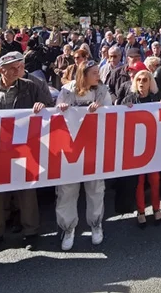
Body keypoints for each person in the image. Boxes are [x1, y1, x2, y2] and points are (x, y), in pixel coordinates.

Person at [0, 52, 51, 257]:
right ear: (2, 70)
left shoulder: (30, 87)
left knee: (26, 191)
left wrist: (42, 107)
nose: (20, 70)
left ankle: (31, 232)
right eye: (15, 68)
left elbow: (49, 109)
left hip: (24, 148)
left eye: (20, 67)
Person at [54, 61, 112, 251]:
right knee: (67, 191)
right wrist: (61, 108)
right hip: (70, 150)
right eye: (94, 73)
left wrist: (101, 109)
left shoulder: (102, 91)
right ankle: (68, 229)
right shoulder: (67, 90)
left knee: (95, 189)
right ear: (83, 75)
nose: (98, 76)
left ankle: (96, 225)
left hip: (94, 149)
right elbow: (55, 117)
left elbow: (112, 115)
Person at [121, 67, 161, 227]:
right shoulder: (129, 99)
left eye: (145, 80)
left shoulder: (159, 98)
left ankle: (156, 209)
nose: (141, 83)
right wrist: (123, 108)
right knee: (139, 181)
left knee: (155, 180)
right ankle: (141, 211)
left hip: (153, 147)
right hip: (136, 148)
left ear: (150, 82)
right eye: (139, 80)